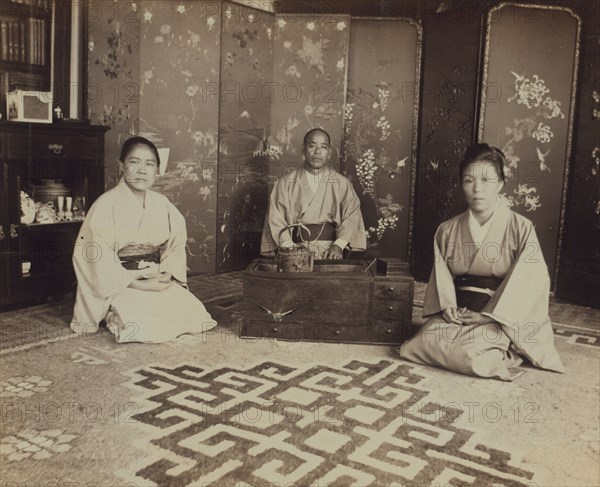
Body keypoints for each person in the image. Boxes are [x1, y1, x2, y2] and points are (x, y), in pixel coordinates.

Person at [399, 143, 564, 380]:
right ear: (461, 184)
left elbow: (531, 280)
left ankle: (503, 347)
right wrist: (447, 308)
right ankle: (485, 344)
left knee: (469, 354)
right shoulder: (447, 229)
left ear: (500, 183)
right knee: (418, 345)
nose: (478, 189)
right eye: (469, 180)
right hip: (459, 309)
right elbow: (441, 277)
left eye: (487, 180)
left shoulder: (521, 228)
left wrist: (488, 316)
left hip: (499, 312)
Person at [70, 136, 217, 343]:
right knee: (141, 324)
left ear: (158, 169)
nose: (142, 171)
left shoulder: (162, 203)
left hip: (153, 275)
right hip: (120, 281)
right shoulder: (105, 204)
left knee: (194, 315)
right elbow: (93, 254)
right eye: (134, 163)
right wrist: (135, 283)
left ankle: (124, 311)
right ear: (121, 166)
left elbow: (175, 243)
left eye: (150, 164)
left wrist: (167, 273)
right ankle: (111, 313)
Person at [261, 128, 367, 259]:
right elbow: (276, 220)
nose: (317, 152)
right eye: (312, 146)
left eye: (323, 147)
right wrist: (291, 248)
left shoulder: (342, 183)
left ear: (328, 153)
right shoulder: (285, 184)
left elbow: (352, 216)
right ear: (303, 149)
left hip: (332, 253)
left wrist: (338, 245)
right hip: (295, 253)